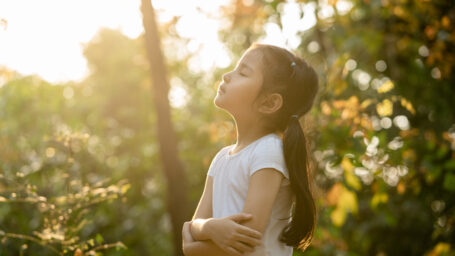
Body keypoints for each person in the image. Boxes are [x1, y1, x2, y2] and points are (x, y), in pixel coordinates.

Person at [182, 43, 319, 256]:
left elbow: (244, 242)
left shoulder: (268, 150)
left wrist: (195, 239)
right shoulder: (220, 159)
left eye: (243, 72)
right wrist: (209, 227)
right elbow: (192, 230)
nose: (227, 75)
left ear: (269, 103)